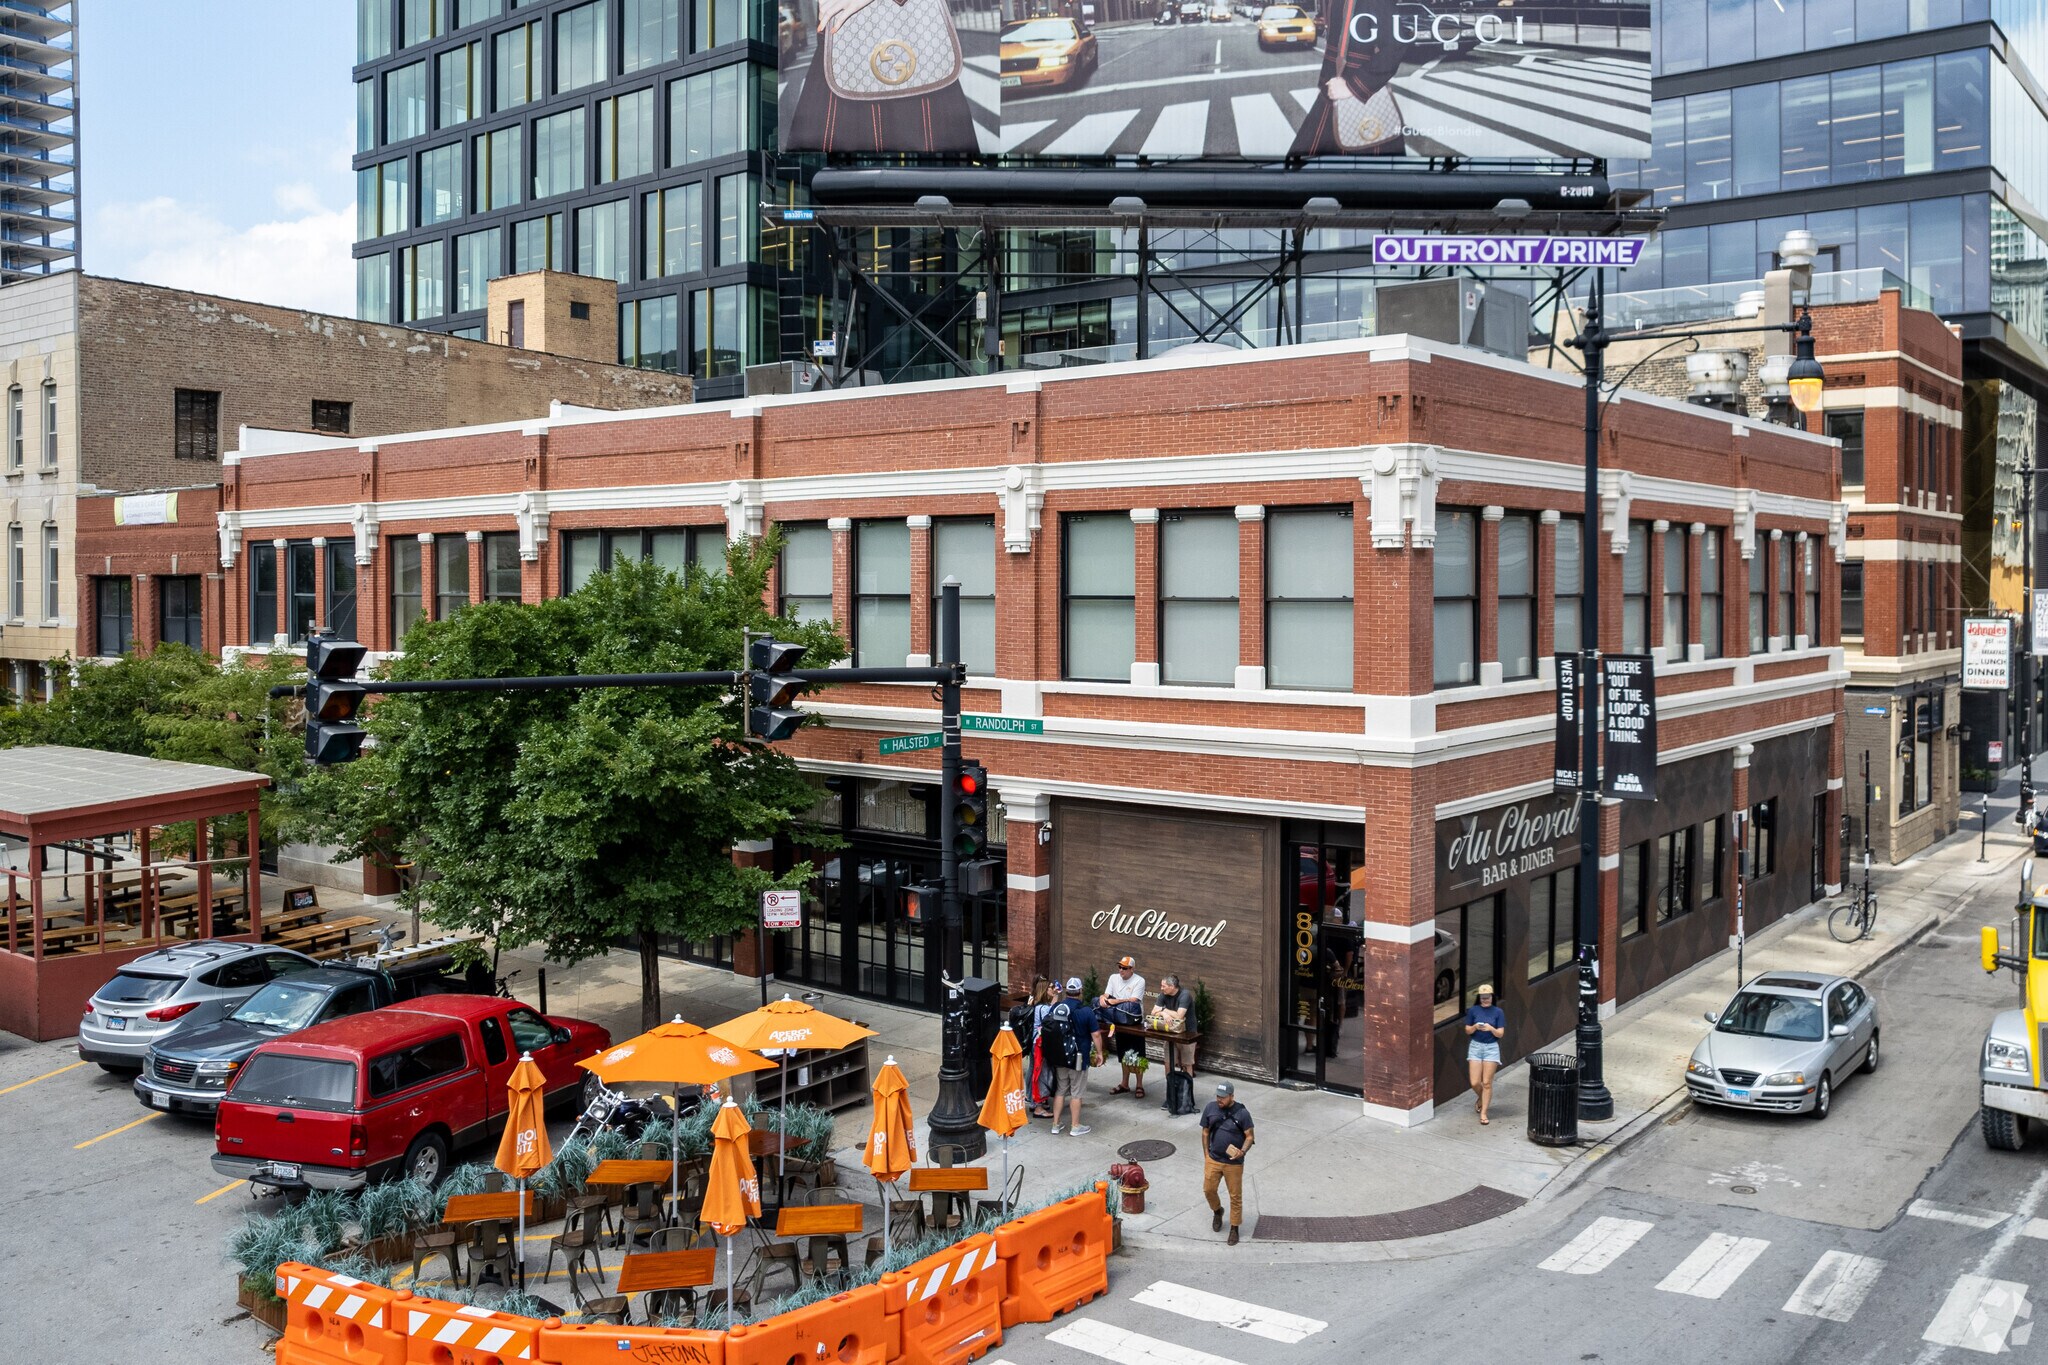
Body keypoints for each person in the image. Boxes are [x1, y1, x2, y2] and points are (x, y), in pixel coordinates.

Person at [1041, 976, 1101, 1137]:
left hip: (1060, 1056)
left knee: (1060, 1090)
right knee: (1076, 1092)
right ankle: (1075, 1126)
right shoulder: (1086, 1011)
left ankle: (1055, 1124)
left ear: (1067, 991)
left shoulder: (1057, 1007)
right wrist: (1100, 1053)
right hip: (1079, 1058)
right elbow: (1095, 1034)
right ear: (1080, 991)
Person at [1200, 1080, 1254, 1246]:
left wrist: (1242, 1151)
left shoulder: (1242, 1113)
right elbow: (1205, 1131)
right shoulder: (1210, 1108)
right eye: (1218, 1096)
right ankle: (1217, 1211)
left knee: (1235, 1196)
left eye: (1223, 1097)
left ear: (1232, 1096)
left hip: (1233, 1163)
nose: (1219, 1100)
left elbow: (1250, 1137)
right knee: (1208, 1190)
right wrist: (1207, 1154)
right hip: (1214, 1159)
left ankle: (1234, 1228)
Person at [1101, 955, 1148, 1099]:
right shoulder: (1113, 978)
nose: (1121, 970)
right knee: (1123, 1052)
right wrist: (1103, 999)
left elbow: (1133, 1001)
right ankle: (1125, 1083)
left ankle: (1139, 1084)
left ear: (1132, 969)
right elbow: (1106, 994)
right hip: (1118, 1019)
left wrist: (1113, 1001)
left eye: (1125, 968)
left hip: (1134, 1021)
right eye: (1120, 967)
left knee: (1137, 1054)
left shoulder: (1139, 980)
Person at [1463, 983, 1506, 1125]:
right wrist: (1475, 1026)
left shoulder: (1498, 1012)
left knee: (1487, 1082)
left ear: (1492, 997)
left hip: (1491, 1048)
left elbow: (1500, 1034)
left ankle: (1484, 1113)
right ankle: (1481, 1098)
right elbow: (1468, 1030)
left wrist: (1490, 1028)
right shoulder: (1473, 1011)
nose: (1485, 1000)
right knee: (1475, 1082)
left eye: (1487, 998)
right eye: (1482, 998)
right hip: (1475, 1046)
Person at [1154, 974, 1197, 1114]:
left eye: (1164, 986)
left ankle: (1187, 1096)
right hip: (1170, 1034)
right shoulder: (1163, 995)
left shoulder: (1185, 995)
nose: (1161, 988)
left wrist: (1164, 1011)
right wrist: (1163, 1015)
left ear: (1172, 987)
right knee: (1168, 1063)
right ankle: (1170, 1095)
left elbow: (1180, 1016)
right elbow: (1153, 1011)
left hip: (1187, 1034)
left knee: (1187, 1064)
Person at [1025, 977, 1057, 1118]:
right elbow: (1053, 1019)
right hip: (1040, 1045)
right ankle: (1038, 1107)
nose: (1053, 989)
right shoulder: (1044, 1009)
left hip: (1034, 1044)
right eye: (1050, 987)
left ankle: (1035, 1101)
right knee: (1041, 1074)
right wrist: (1055, 998)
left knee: (1035, 1072)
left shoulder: (1037, 1006)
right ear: (1045, 990)